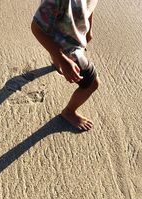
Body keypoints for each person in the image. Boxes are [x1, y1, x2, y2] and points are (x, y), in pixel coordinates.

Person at [31, 0, 99, 131]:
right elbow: (36, 28)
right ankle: (69, 112)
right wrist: (63, 59)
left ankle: (58, 63)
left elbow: (91, 4)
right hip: (66, 45)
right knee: (92, 83)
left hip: (72, 33)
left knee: (58, 58)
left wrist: (89, 29)